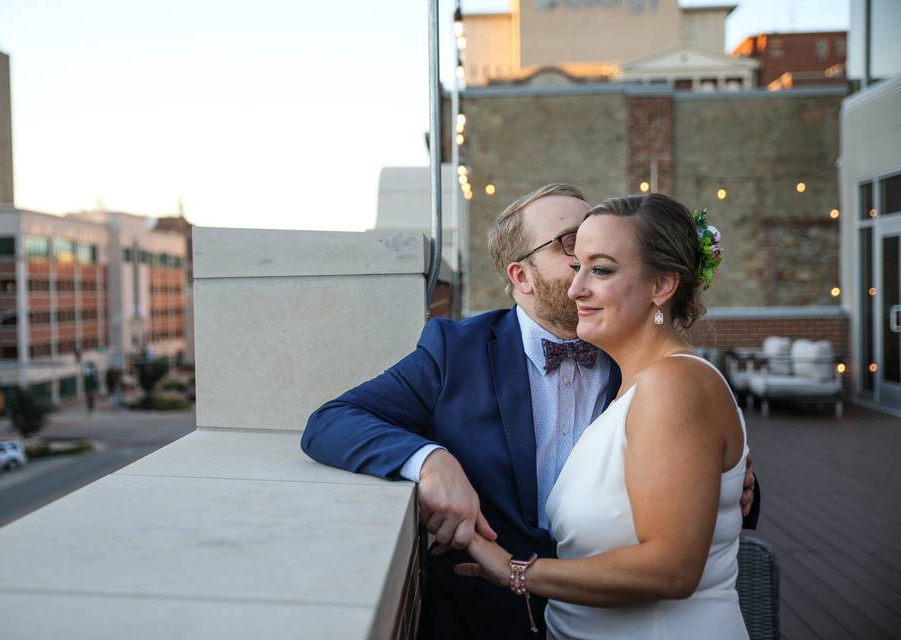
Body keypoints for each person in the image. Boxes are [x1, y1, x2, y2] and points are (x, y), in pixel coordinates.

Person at [301, 184, 757, 640]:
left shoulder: (647, 363)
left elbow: (692, 510)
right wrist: (430, 461)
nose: (582, 267)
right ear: (522, 277)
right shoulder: (455, 352)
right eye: (571, 245)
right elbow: (332, 420)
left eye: (596, 256)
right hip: (483, 622)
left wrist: (735, 481)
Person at [455, 194, 749, 639]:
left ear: (661, 286)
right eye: (578, 265)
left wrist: (517, 571)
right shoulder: (634, 382)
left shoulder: (673, 386)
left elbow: (671, 570)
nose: (576, 289)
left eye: (602, 270)